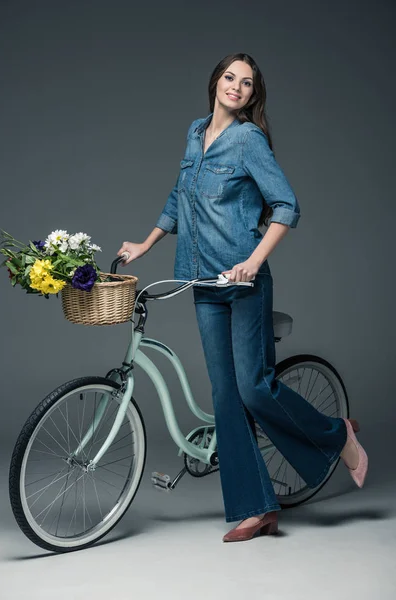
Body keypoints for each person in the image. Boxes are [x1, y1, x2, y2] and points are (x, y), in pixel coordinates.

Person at [117, 52, 368, 543]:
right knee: (227, 398)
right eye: (230, 77)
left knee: (254, 387)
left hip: (244, 281)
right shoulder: (195, 132)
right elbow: (179, 196)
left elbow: (286, 205)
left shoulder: (249, 140)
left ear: (253, 95)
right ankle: (257, 508)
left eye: (246, 83)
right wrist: (145, 243)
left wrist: (253, 260)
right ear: (216, 82)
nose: (236, 86)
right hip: (202, 283)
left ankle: (338, 435)